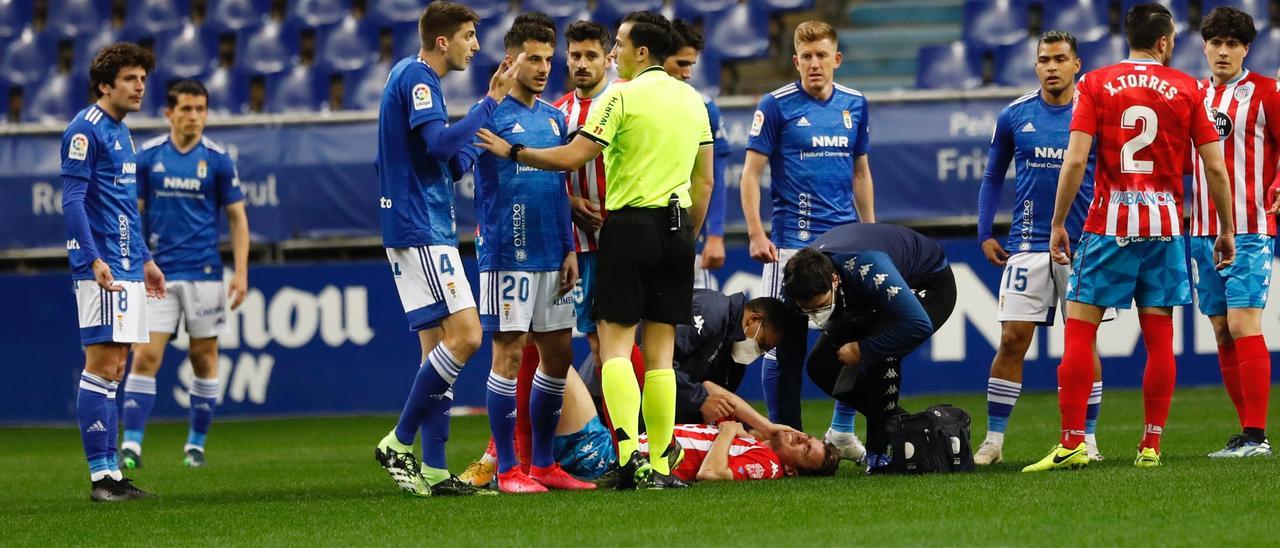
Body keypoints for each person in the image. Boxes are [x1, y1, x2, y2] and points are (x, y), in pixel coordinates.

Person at [477, 10, 714, 489]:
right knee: (662, 356)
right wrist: (684, 233)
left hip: (628, 227)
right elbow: (704, 179)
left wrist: (515, 152)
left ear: (640, 52)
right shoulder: (694, 100)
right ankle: (664, 465)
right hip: (678, 229)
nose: (613, 55)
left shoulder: (620, 97)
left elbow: (574, 156)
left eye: (619, 45)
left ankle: (630, 456)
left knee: (616, 350)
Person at [1023, 2, 1235, 472]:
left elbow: (1075, 161)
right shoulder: (1188, 88)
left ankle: (1072, 441)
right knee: (1159, 338)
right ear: (1163, 42)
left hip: (1109, 225)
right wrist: (1224, 228)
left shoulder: (1096, 83)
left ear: (1129, 38)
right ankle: (1150, 446)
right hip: (1163, 227)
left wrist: (1059, 223)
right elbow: (1215, 167)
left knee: (1080, 329)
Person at [372, 0, 522, 497]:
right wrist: (488, 104)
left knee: (437, 351)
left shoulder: (413, 77)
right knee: (468, 336)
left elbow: (449, 163)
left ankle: (434, 469)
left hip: (418, 223)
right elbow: (439, 146)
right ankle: (399, 441)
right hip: (421, 228)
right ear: (443, 41)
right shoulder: (418, 79)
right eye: (468, 37)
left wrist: (481, 132)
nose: (475, 46)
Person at [739, 20, 875, 461]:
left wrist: (870, 232)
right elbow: (751, 175)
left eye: (822, 56)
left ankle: (840, 430)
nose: (814, 64)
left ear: (837, 59)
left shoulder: (856, 104)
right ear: (795, 60)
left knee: (856, 341)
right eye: (806, 57)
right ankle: (788, 441)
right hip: (790, 246)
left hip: (844, 245)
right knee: (781, 346)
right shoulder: (775, 105)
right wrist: (757, 232)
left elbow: (861, 173)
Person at [973, 31, 1110, 465]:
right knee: (1012, 340)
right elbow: (993, 175)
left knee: (1083, 342)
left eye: (1059, 59)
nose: (1051, 66)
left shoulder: (1096, 114)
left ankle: (1086, 439)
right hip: (1027, 243)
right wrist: (983, 231)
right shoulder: (1015, 115)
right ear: (1035, 66)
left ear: (1077, 64)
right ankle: (994, 442)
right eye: (1043, 59)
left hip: (1084, 244)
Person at [472, 21, 594, 494]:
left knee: (559, 354)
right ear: (511, 60)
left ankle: (543, 464)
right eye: (534, 59)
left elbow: (562, 186)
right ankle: (506, 469)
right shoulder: (489, 115)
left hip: (551, 251)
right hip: (507, 251)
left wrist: (568, 246)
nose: (545, 68)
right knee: (507, 354)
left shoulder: (553, 117)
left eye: (549, 59)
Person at [120, 79, 250, 471]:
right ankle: (132, 445)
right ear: (169, 113)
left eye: (201, 109)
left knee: (203, 357)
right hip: (158, 275)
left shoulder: (218, 159)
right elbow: (131, 214)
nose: (194, 116)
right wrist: (134, 262)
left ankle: (195, 444)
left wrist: (241, 272)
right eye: (187, 109)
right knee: (144, 356)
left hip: (205, 274)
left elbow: (237, 218)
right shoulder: (148, 158)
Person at [61, 42, 165, 502]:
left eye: (143, 77)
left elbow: (125, 207)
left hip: (126, 265)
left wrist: (144, 259)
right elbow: (72, 200)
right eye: (130, 78)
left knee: (117, 366)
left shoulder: (124, 133)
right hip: (101, 265)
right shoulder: (85, 130)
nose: (140, 85)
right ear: (105, 85)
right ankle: (100, 477)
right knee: (101, 365)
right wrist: (92, 258)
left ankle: (112, 474)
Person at [780, 223, 957, 473]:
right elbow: (786, 357)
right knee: (820, 366)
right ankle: (912, 426)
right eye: (806, 310)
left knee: (880, 356)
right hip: (861, 298)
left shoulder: (869, 269)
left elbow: (918, 325)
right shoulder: (795, 284)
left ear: (834, 280)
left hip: (927, 283)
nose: (814, 316)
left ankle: (878, 452)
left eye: (820, 307)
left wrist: (863, 348)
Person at [1191, 7, 1278, 458]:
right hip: (1202, 230)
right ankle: (1246, 433)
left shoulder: (1267, 92)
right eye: (1216, 43)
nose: (1223, 52)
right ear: (1204, 46)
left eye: (1233, 44)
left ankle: (1256, 437)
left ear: (1246, 49)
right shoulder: (1193, 96)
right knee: (1222, 330)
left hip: (1250, 227)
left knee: (1244, 324)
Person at [665, 19, 731, 290]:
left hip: (684, 235)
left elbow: (714, 176)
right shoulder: (623, 102)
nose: (688, 72)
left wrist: (715, 234)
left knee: (686, 326)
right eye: (681, 63)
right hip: (634, 234)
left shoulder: (704, 107)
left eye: (691, 64)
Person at [673, 290, 789, 425]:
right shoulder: (711, 312)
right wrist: (699, 399)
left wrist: (752, 429)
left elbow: (716, 407)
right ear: (754, 320)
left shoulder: (735, 361)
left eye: (764, 351)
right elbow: (656, 362)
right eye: (762, 344)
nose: (758, 352)